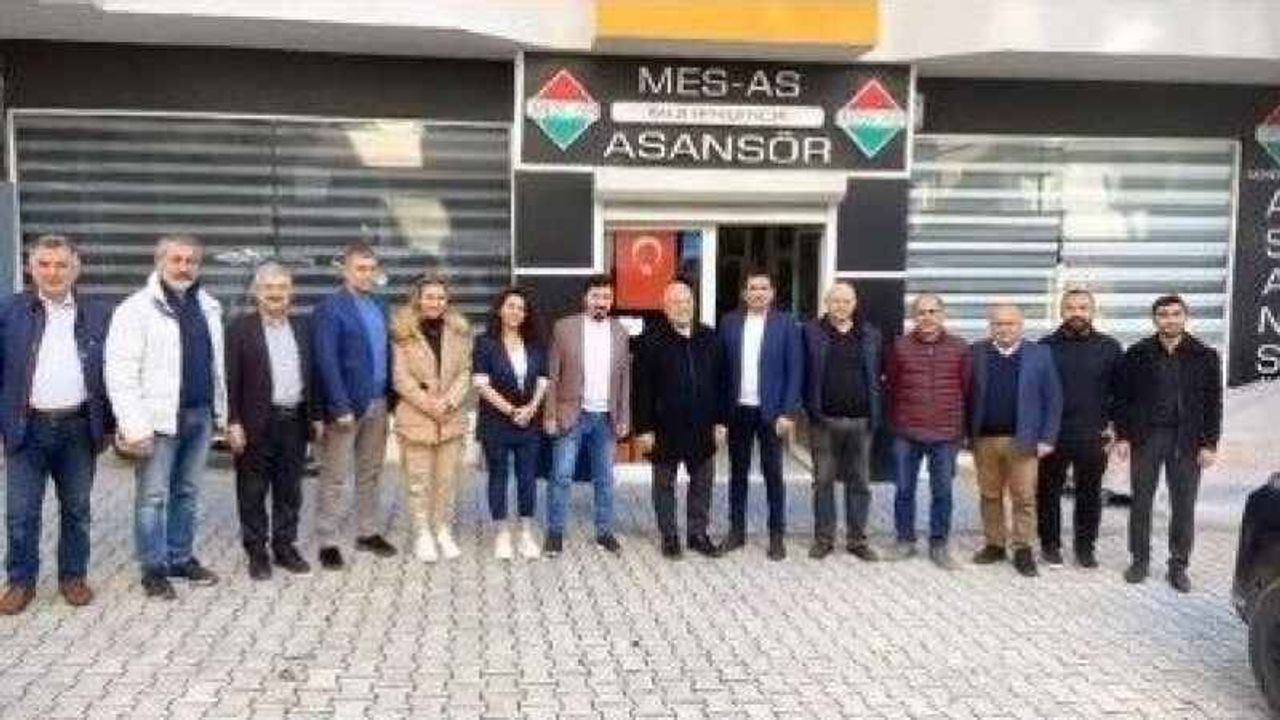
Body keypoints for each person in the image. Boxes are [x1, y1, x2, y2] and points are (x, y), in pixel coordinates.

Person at [106, 234, 226, 599]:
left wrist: (221, 414)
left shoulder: (209, 306)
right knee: (153, 497)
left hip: (199, 415)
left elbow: (217, 367)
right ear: (159, 262)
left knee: (187, 492)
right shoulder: (135, 309)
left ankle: (180, 557)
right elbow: (120, 372)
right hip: (157, 420)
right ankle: (154, 568)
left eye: (191, 261)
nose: (183, 267)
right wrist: (133, 425)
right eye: (176, 259)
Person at [0, 235, 111, 613]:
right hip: (25, 430)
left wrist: (111, 426)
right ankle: (20, 582)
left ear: (76, 268)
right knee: (21, 513)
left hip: (77, 428)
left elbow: (111, 374)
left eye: (61, 264)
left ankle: (73, 577)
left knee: (77, 510)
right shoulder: (9, 312)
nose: (53, 272)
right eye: (44, 264)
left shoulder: (97, 314)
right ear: (30, 268)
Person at [1115, 294, 1222, 593]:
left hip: (1187, 440)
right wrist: (1123, 436)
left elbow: (1213, 403)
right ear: (1155, 319)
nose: (1170, 319)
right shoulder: (1137, 353)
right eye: (1163, 314)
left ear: (1185, 317)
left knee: (1183, 506)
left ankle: (1178, 566)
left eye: (1176, 314)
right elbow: (1123, 399)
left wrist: (1209, 443)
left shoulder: (1205, 355)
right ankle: (1139, 561)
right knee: (1141, 502)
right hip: (1147, 437)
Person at [224, 262, 318, 580]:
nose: (275, 293)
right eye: (268, 287)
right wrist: (232, 421)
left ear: (291, 292)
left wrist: (316, 416)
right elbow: (229, 379)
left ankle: (284, 547)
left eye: (282, 287)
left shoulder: (303, 327)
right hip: (254, 425)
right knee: (252, 492)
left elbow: (312, 375)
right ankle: (256, 552)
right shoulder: (239, 328)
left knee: (289, 490)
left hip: (294, 421)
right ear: (256, 291)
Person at [312, 242, 396, 569]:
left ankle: (367, 532)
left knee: (370, 472)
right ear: (345, 271)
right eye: (360, 269)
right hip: (346, 406)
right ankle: (327, 541)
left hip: (378, 402)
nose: (367, 275)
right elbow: (326, 360)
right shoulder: (330, 308)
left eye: (371, 269)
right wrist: (338, 405)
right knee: (335, 475)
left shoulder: (380, 305)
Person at [968, 303, 1062, 578]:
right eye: (998, 323)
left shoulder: (1040, 354)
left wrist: (1047, 437)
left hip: (1025, 439)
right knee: (989, 494)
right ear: (990, 327)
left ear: (1021, 325)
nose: (1004, 328)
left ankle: (1022, 548)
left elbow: (1053, 399)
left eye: (1010, 323)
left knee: (1024, 497)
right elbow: (965, 394)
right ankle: (995, 544)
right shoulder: (976, 353)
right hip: (985, 439)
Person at [634, 279, 726, 560]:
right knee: (664, 485)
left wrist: (721, 422)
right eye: (675, 302)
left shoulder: (710, 338)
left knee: (702, 483)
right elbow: (641, 388)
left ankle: (698, 534)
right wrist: (644, 428)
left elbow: (723, 383)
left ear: (693, 304)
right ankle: (670, 536)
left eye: (686, 301)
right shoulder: (650, 340)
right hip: (664, 428)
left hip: (703, 426)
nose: (682, 306)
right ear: (665, 307)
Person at [544, 274, 631, 557]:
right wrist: (550, 414)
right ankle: (555, 533)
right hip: (572, 414)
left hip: (606, 417)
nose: (601, 302)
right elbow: (553, 375)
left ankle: (604, 533)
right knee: (561, 476)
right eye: (596, 296)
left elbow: (624, 378)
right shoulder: (564, 328)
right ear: (585, 298)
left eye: (606, 297)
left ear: (612, 301)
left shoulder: (620, 332)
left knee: (604, 479)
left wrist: (623, 417)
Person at [718, 271, 802, 560]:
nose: (758, 293)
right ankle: (736, 531)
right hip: (738, 410)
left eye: (763, 288)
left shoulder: (786, 324)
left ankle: (776, 535)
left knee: (773, 475)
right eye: (752, 288)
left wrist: (788, 412)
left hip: (772, 413)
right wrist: (720, 415)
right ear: (744, 293)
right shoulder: (729, 323)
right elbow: (721, 370)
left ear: (772, 293)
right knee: (737, 474)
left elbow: (795, 370)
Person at [1038, 289, 1123, 569]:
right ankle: (1050, 545)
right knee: (1047, 493)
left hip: (1093, 434)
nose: (1077, 313)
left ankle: (1085, 548)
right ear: (1061, 311)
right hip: (1053, 435)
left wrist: (1116, 428)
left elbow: (1121, 393)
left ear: (1092, 311)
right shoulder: (1044, 346)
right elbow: (1035, 392)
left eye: (1083, 307)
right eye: (1071, 307)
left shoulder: (1109, 347)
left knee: (1089, 494)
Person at [885, 293, 971, 570]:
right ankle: (904, 540)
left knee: (942, 492)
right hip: (907, 432)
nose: (927, 317)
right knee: (904, 489)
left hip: (946, 434)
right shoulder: (899, 346)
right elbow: (891, 387)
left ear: (942, 315)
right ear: (914, 316)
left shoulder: (960, 348)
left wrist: (962, 430)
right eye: (921, 312)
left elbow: (967, 389)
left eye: (933, 311)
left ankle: (939, 544)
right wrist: (897, 422)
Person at [391, 275, 472, 564]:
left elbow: (466, 371)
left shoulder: (459, 332)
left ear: (447, 301)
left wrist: (449, 401)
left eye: (440, 297)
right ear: (418, 299)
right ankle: (423, 533)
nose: (435, 302)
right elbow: (400, 378)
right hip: (416, 418)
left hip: (451, 418)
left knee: (447, 481)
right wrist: (429, 404)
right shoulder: (402, 334)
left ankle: (442, 529)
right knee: (419, 481)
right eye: (430, 297)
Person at [799, 281, 882, 561]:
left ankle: (857, 540)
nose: (841, 306)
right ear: (826, 303)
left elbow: (879, 375)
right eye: (836, 301)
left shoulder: (870, 334)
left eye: (846, 301)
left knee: (860, 482)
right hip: (824, 421)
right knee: (823, 481)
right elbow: (803, 372)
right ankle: (824, 538)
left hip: (861, 422)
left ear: (854, 304)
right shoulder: (811, 332)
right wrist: (809, 410)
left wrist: (875, 413)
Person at [473, 287, 547, 560]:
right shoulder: (485, 343)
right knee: (498, 476)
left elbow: (543, 380)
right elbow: (481, 384)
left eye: (521, 308)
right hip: (496, 422)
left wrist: (531, 408)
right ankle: (502, 533)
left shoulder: (535, 343)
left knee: (527, 477)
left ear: (526, 314)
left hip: (529, 422)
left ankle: (526, 532)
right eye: (511, 306)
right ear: (500, 310)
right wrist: (512, 410)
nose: (516, 312)